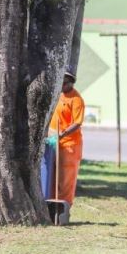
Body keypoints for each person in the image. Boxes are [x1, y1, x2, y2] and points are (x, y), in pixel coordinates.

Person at [48, 69, 85, 207]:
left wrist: (62, 134)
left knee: (65, 181)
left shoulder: (76, 99)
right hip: (54, 142)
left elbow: (77, 122)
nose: (62, 86)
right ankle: (50, 207)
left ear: (71, 83)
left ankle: (64, 208)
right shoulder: (58, 95)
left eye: (64, 83)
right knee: (52, 177)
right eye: (60, 83)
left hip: (69, 145)